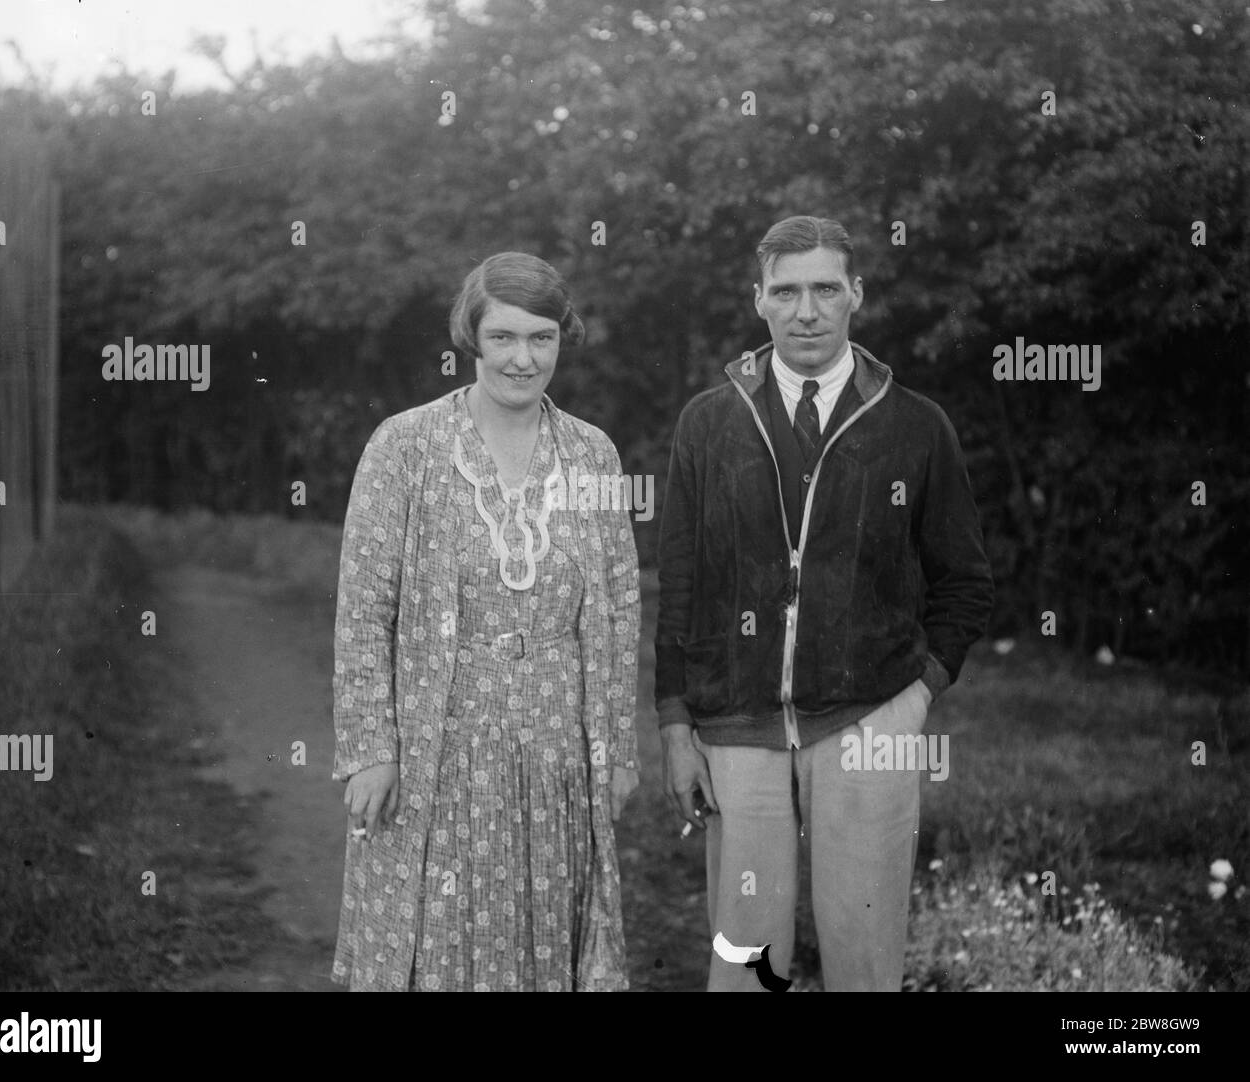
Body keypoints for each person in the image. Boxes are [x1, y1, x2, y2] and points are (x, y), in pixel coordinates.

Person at [656, 215, 993, 991]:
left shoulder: (916, 425)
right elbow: (682, 582)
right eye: (787, 291)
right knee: (745, 959)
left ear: (856, 296)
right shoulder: (709, 423)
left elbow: (965, 580)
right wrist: (676, 722)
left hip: (871, 718)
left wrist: (917, 693)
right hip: (737, 721)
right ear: (759, 301)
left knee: (866, 955)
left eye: (824, 290)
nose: (806, 310)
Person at [330, 252, 641, 991]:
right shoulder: (405, 446)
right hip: (439, 746)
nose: (522, 358)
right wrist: (373, 745)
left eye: (541, 338)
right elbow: (365, 608)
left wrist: (617, 748)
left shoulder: (593, 454)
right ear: (470, 337)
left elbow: (621, 605)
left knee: (545, 938)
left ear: (564, 340)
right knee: (435, 946)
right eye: (502, 337)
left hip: (557, 752)